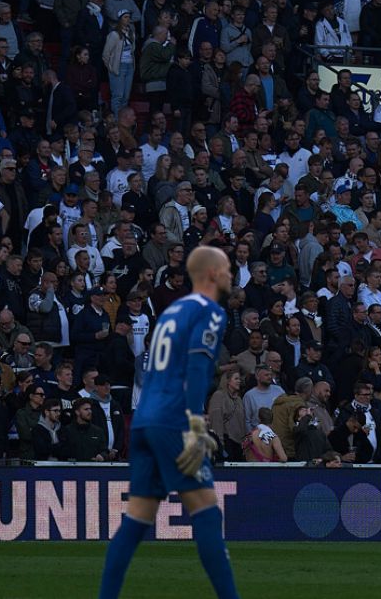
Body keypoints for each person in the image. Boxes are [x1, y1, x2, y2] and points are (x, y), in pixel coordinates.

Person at [99, 245, 240, 599]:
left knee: (136, 520)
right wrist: (195, 424)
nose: (230, 275)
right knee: (207, 511)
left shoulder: (171, 310)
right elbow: (196, 367)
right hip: (173, 421)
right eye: (225, 269)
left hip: (146, 419)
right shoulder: (209, 311)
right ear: (211, 274)